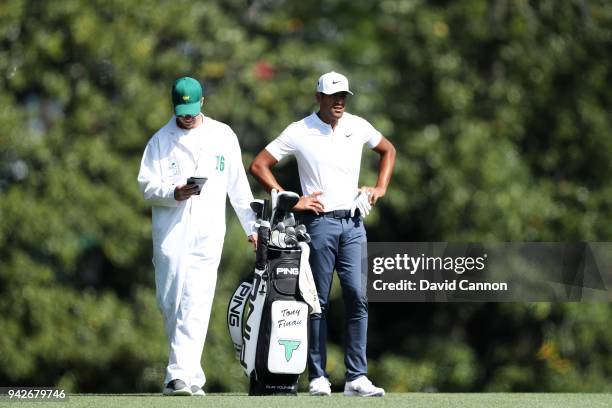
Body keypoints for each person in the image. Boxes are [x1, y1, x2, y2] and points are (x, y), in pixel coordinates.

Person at [250, 71, 396, 397]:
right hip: (318, 225)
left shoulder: (357, 126)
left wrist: (379, 188)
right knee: (317, 302)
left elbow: (388, 150)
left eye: (344, 95)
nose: (340, 102)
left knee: (358, 297)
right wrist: (290, 199)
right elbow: (259, 165)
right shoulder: (300, 130)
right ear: (319, 98)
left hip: (354, 225)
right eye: (333, 96)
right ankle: (318, 376)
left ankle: (357, 377)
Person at [138, 77, 257, 396]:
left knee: (198, 299)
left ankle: (177, 376)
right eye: (182, 110)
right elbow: (146, 186)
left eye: (192, 109)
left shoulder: (222, 136)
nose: (187, 116)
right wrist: (173, 192)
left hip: (208, 231)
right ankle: (190, 374)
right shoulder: (160, 141)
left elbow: (239, 188)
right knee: (170, 300)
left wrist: (253, 228)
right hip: (171, 233)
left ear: (203, 103)